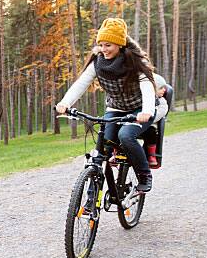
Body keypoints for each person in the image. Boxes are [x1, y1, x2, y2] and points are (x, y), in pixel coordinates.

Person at [56, 18, 157, 192]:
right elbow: (81, 84)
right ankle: (91, 195)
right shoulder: (98, 63)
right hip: (116, 108)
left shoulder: (134, 62)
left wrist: (147, 111)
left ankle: (144, 174)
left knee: (126, 136)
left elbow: (147, 87)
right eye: (101, 45)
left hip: (139, 109)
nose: (104, 49)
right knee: (105, 142)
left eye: (108, 45)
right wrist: (65, 102)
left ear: (119, 44)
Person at [143, 73, 169, 167]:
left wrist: (147, 117)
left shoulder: (161, 101)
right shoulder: (142, 98)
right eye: (161, 88)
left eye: (164, 88)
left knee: (151, 133)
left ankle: (151, 155)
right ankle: (116, 151)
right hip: (135, 123)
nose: (164, 90)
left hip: (149, 125)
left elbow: (161, 112)